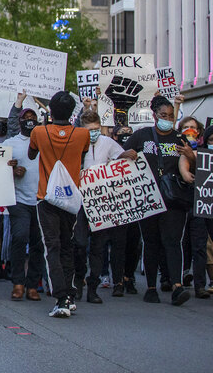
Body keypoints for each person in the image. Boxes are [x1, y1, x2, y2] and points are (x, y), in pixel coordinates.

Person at [120, 95, 193, 307]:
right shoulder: (142, 136)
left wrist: (190, 154)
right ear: (154, 116)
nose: (167, 119)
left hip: (173, 199)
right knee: (151, 242)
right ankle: (151, 287)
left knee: (173, 241)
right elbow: (119, 158)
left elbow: (194, 164)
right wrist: (127, 154)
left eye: (170, 116)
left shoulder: (179, 138)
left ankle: (177, 286)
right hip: (148, 197)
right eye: (163, 115)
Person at [29, 90, 91, 318]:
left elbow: (32, 153)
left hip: (46, 198)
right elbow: (82, 155)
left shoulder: (38, 131)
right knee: (68, 245)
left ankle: (61, 297)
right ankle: (70, 294)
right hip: (71, 198)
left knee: (51, 247)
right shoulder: (83, 134)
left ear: (51, 111)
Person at [79, 109, 135, 304]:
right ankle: (78, 281)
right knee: (79, 244)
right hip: (80, 201)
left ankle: (92, 287)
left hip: (102, 202)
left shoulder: (108, 143)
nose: (92, 133)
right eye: (89, 130)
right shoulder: (77, 142)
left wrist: (126, 154)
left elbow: (120, 159)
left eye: (95, 129)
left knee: (99, 246)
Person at [5, 103, 43, 301]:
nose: (29, 119)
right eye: (25, 116)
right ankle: (18, 282)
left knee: (39, 242)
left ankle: (33, 284)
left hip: (41, 200)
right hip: (19, 199)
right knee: (20, 238)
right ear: (19, 121)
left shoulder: (44, 141)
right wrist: (11, 170)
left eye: (33, 116)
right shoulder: (10, 143)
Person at [179, 116, 213, 298]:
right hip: (200, 204)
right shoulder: (198, 153)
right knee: (199, 244)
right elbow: (184, 163)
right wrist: (185, 172)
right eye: (211, 140)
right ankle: (199, 285)